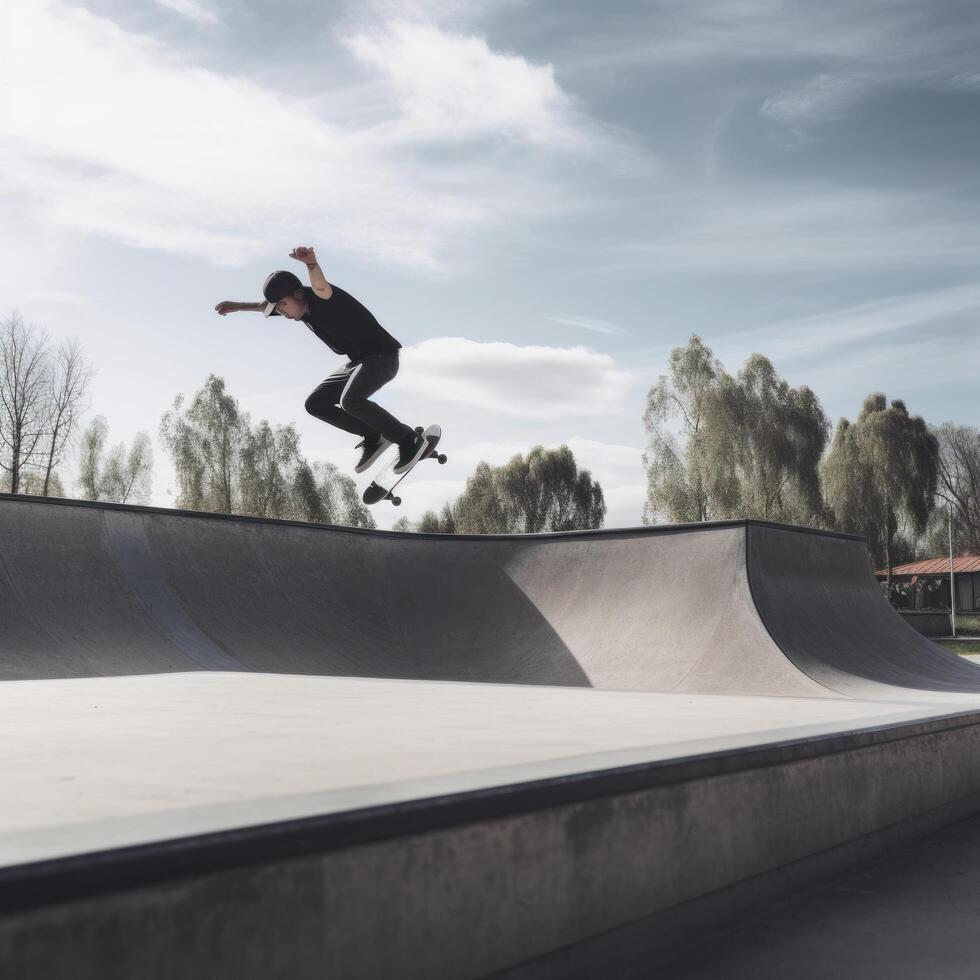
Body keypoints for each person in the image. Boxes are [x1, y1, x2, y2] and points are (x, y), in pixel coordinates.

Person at [215, 247, 426, 474]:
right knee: (315, 404)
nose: (282, 313)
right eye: (278, 308)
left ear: (297, 294)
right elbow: (263, 306)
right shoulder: (297, 308)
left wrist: (311, 264)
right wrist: (235, 306)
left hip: (383, 357)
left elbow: (321, 286)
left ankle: (408, 439)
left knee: (351, 400)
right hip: (359, 362)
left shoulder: (321, 298)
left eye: (283, 305)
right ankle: (373, 434)